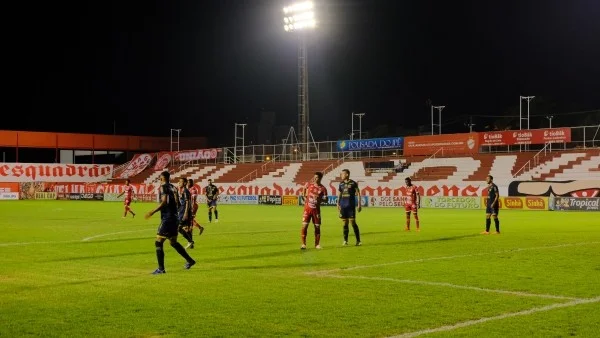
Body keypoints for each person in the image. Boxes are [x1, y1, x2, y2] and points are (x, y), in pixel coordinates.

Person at [145, 171, 195, 274]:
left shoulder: (163, 187)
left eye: (160, 178)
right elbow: (177, 202)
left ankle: (161, 269)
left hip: (167, 218)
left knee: (158, 242)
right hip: (175, 217)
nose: (160, 180)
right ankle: (190, 261)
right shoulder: (174, 187)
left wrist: (152, 212)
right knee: (173, 242)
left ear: (162, 178)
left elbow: (164, 202)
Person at [301, 172, 328, 250]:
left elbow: (326, 199)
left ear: (320, 178)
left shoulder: (323, 188)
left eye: (317, 177)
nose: (315, 179)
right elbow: (304, 188)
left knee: (317, 227)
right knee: (304, 226)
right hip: (307, 209)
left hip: (316, 210)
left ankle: (317, 244)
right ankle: (303, 244)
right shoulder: (309, 185)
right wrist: (303, 196)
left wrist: (320, 198)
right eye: (314, 177)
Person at [337, 169, 362, 246]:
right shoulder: (341, 184)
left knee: (353, 222)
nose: (341, 175)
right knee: (345, 223)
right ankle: (345, 241)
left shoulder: (353, 183)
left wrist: (359, 204)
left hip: (350, 206)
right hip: (343, 206)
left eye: (342, 174)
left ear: (347, 174)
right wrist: (337, 203)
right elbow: (339, 194)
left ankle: (358, 241)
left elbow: (358, 193)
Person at [177, 177, 195, 249]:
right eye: (179, 182)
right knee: (187, 228)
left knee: (178, 228)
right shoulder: (182, 191)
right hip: (182, 211)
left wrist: (186, 213)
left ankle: (190, 241)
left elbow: (188, 202)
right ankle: (191, 244)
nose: (179, 183)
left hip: (184, 212)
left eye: (180, 182)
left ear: (184, 183)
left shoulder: (185, 191)